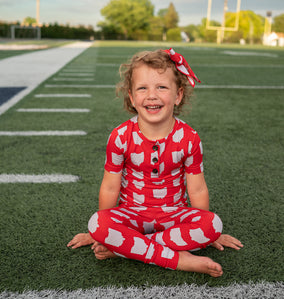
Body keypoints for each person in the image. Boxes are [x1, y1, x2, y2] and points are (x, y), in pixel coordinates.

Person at [67, 48, 243, 277]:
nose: (152, 95)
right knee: (97, 223)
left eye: (161, 87)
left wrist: (211, 234)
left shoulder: (190, 138)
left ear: (178, 95)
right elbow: (110, 186)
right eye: (142, 88)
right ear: (131, 97)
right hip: (132, 215)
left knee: (213, 225)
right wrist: (98, 233)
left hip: (173, 216)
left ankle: (126, 248)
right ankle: (179, 259)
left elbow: (197, 188)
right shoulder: (120, 136)